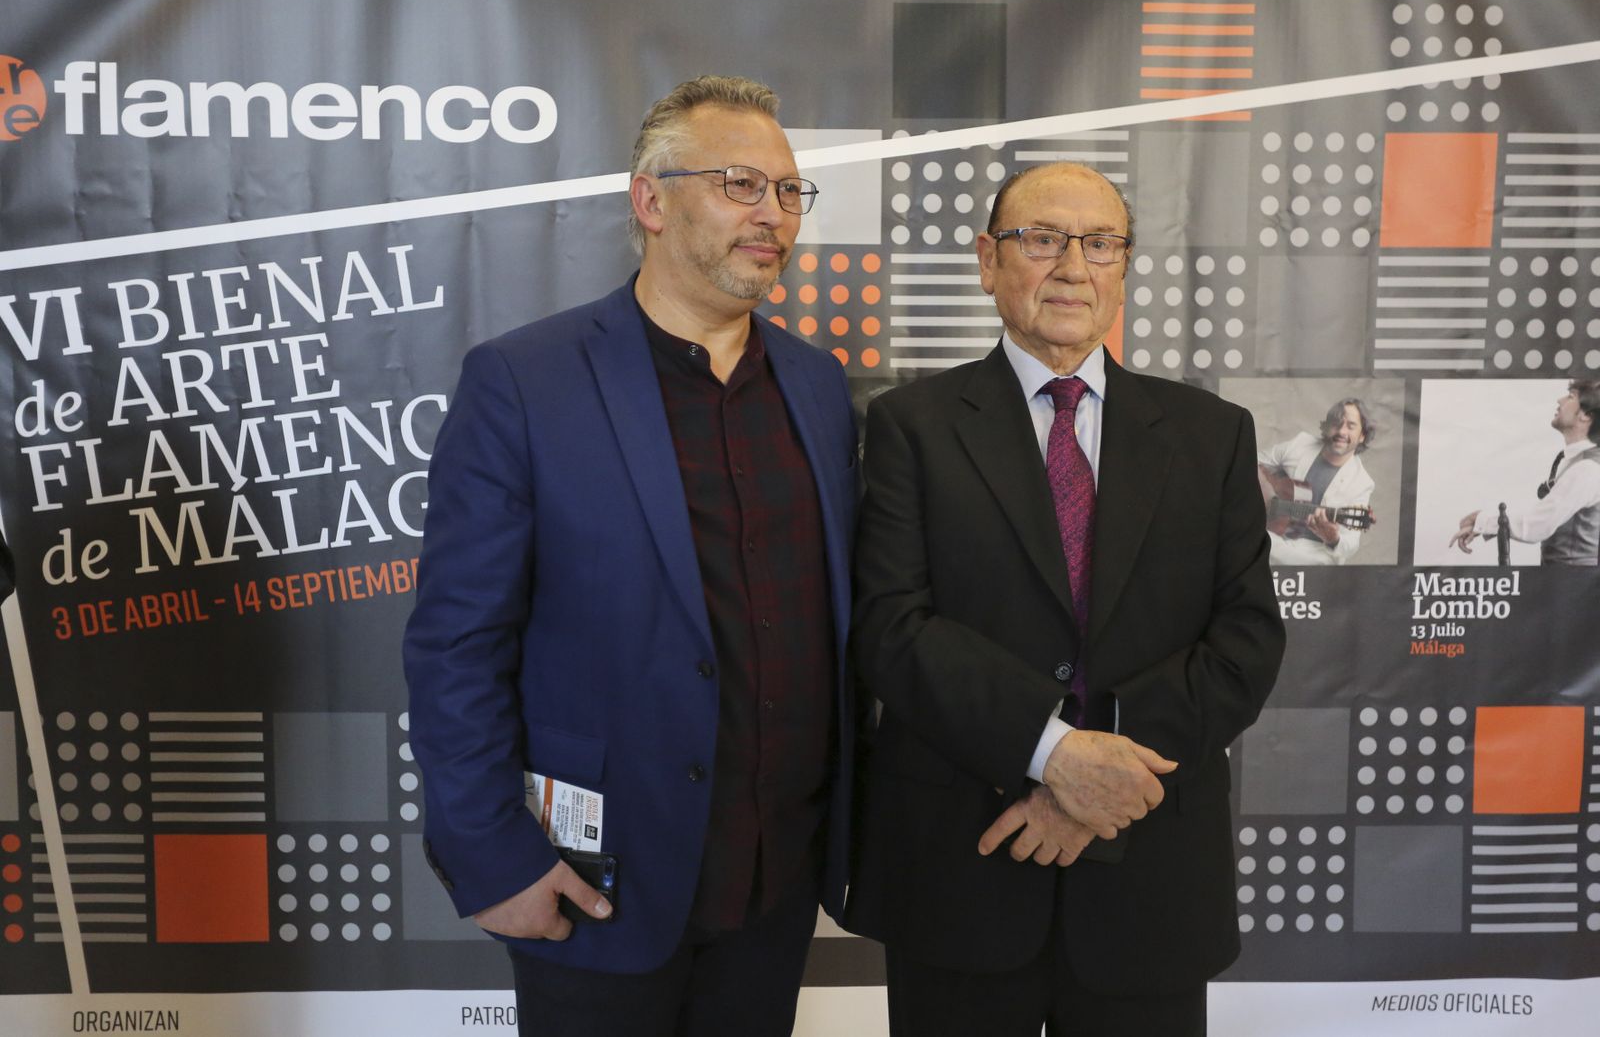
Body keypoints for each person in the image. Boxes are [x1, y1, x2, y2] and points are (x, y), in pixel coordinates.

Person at [403, 75, 859, 1037]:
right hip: (591, 892)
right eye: (740, 184)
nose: (772, 214)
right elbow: (457, 648)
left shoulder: (819, 388)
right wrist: (497, 860)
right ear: (650, 202)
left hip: (777, 889)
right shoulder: (524, 381)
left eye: (788, 191)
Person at [846, 162, 1285, 1036]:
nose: (1072, 267)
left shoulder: (1212, 434)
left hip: (1148, 887)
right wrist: (1049, 753)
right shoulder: (909, 427)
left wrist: (1096, 770)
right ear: (987, 260)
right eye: (1041, 240)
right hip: (962, 878)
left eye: (1100, 244)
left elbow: (1245, 640)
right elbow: (893, 632)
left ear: (1124, 266)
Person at [1450, 379, 1600, 565]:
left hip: (1573, 584)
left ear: (1585, 415)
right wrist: (1483, 524)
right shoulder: (1578, 461)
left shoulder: (1587, 469)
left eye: (1570, 397)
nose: (1559, 400)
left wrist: (1483, 521)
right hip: (1565, 581)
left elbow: (1538, 525)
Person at [1257, 398, 1378, 565]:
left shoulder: (1362, 482)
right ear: (1328, 426)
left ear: (1362, 435)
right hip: (1274, 531)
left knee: (1255, 543)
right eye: (1337, 423)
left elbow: (1350, 544)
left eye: (1350, 426)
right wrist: (1265, 491)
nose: (1341, 432)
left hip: (1314, 552)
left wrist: (1333, 538)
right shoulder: (1301, 444)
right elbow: (1252, 461)